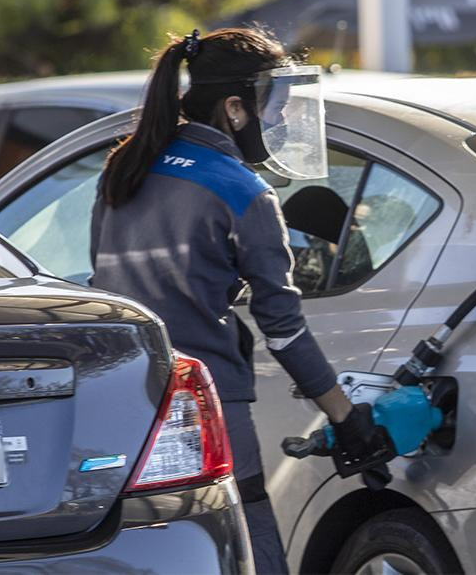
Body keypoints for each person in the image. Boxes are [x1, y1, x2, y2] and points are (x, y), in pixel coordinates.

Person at [89, 28, 391, 574]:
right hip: (209, 405)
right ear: (234, 109)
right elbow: (284, 329)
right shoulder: (244, 192)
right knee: (246, 549)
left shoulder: (123, 170)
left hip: (122, 402)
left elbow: (104, 284)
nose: (277, 122)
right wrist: (348, 420)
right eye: (273, 107)